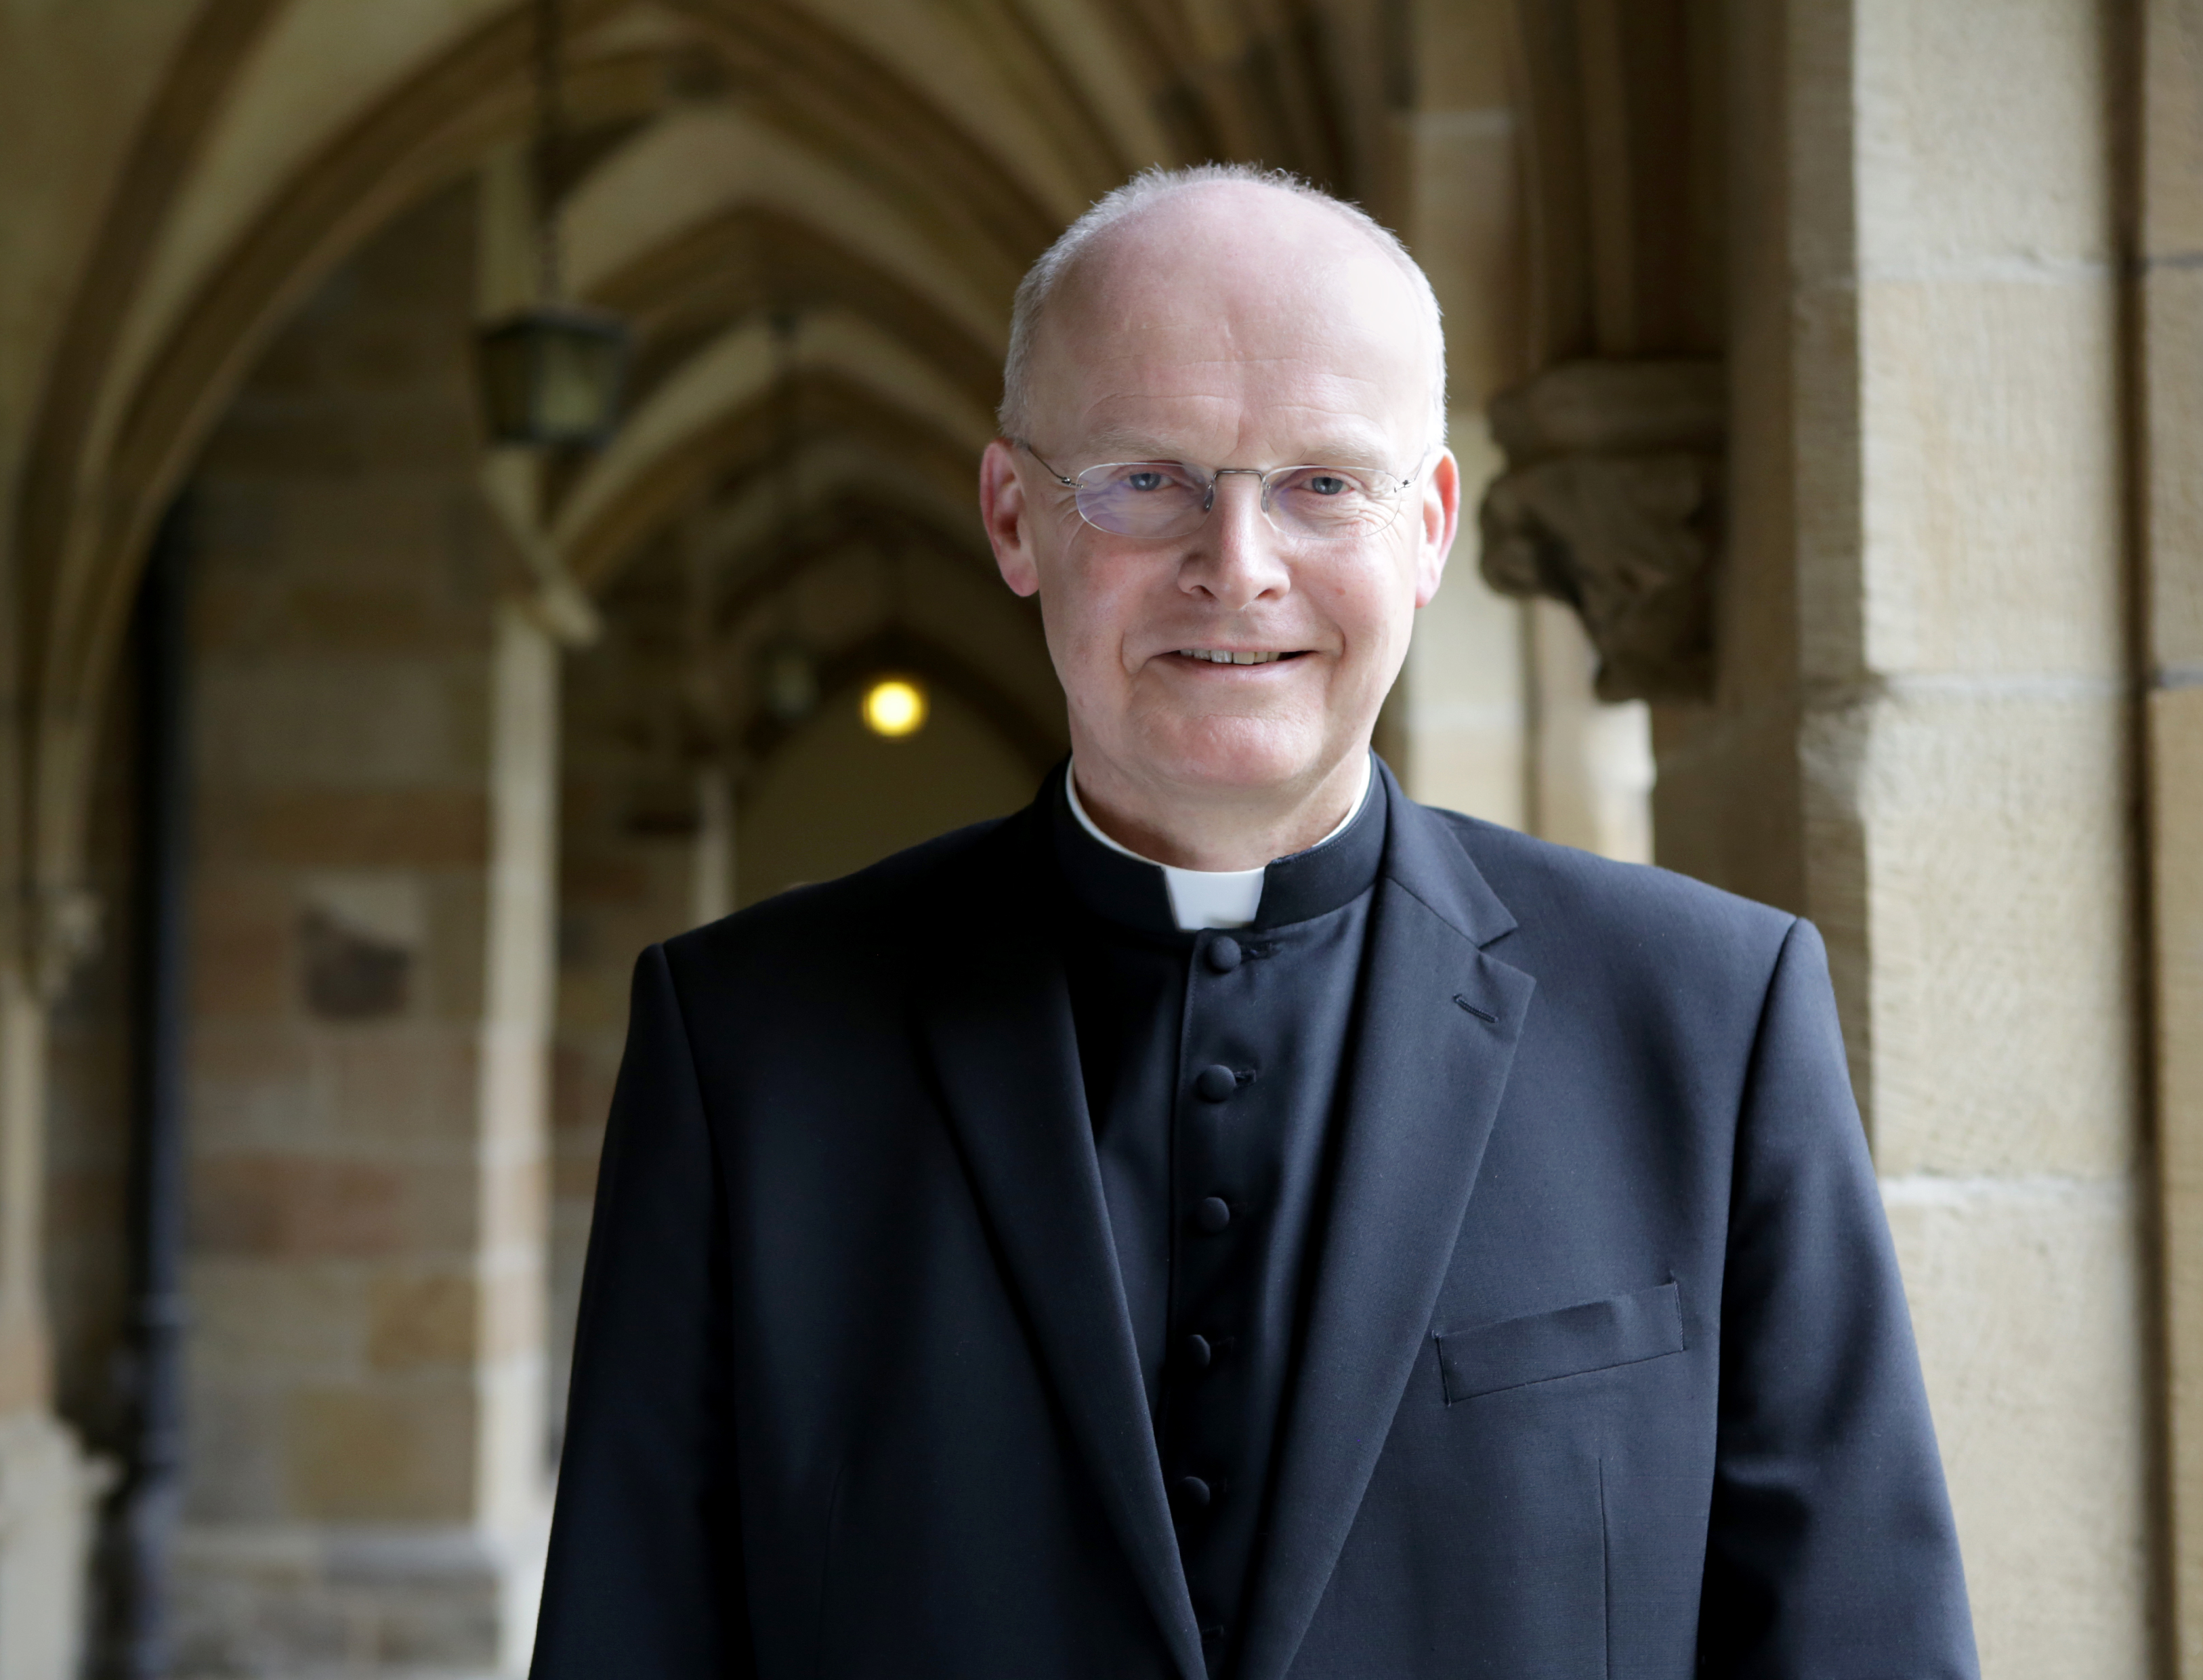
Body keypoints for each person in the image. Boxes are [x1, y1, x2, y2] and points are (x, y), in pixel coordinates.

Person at [529, 164, 1979, 1680]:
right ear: (1015, 516)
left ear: (1429, 529)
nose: (1237, 566)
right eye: (1146, 479)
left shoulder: (1708, 1019)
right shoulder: (743, 1046)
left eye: (1323, 484)